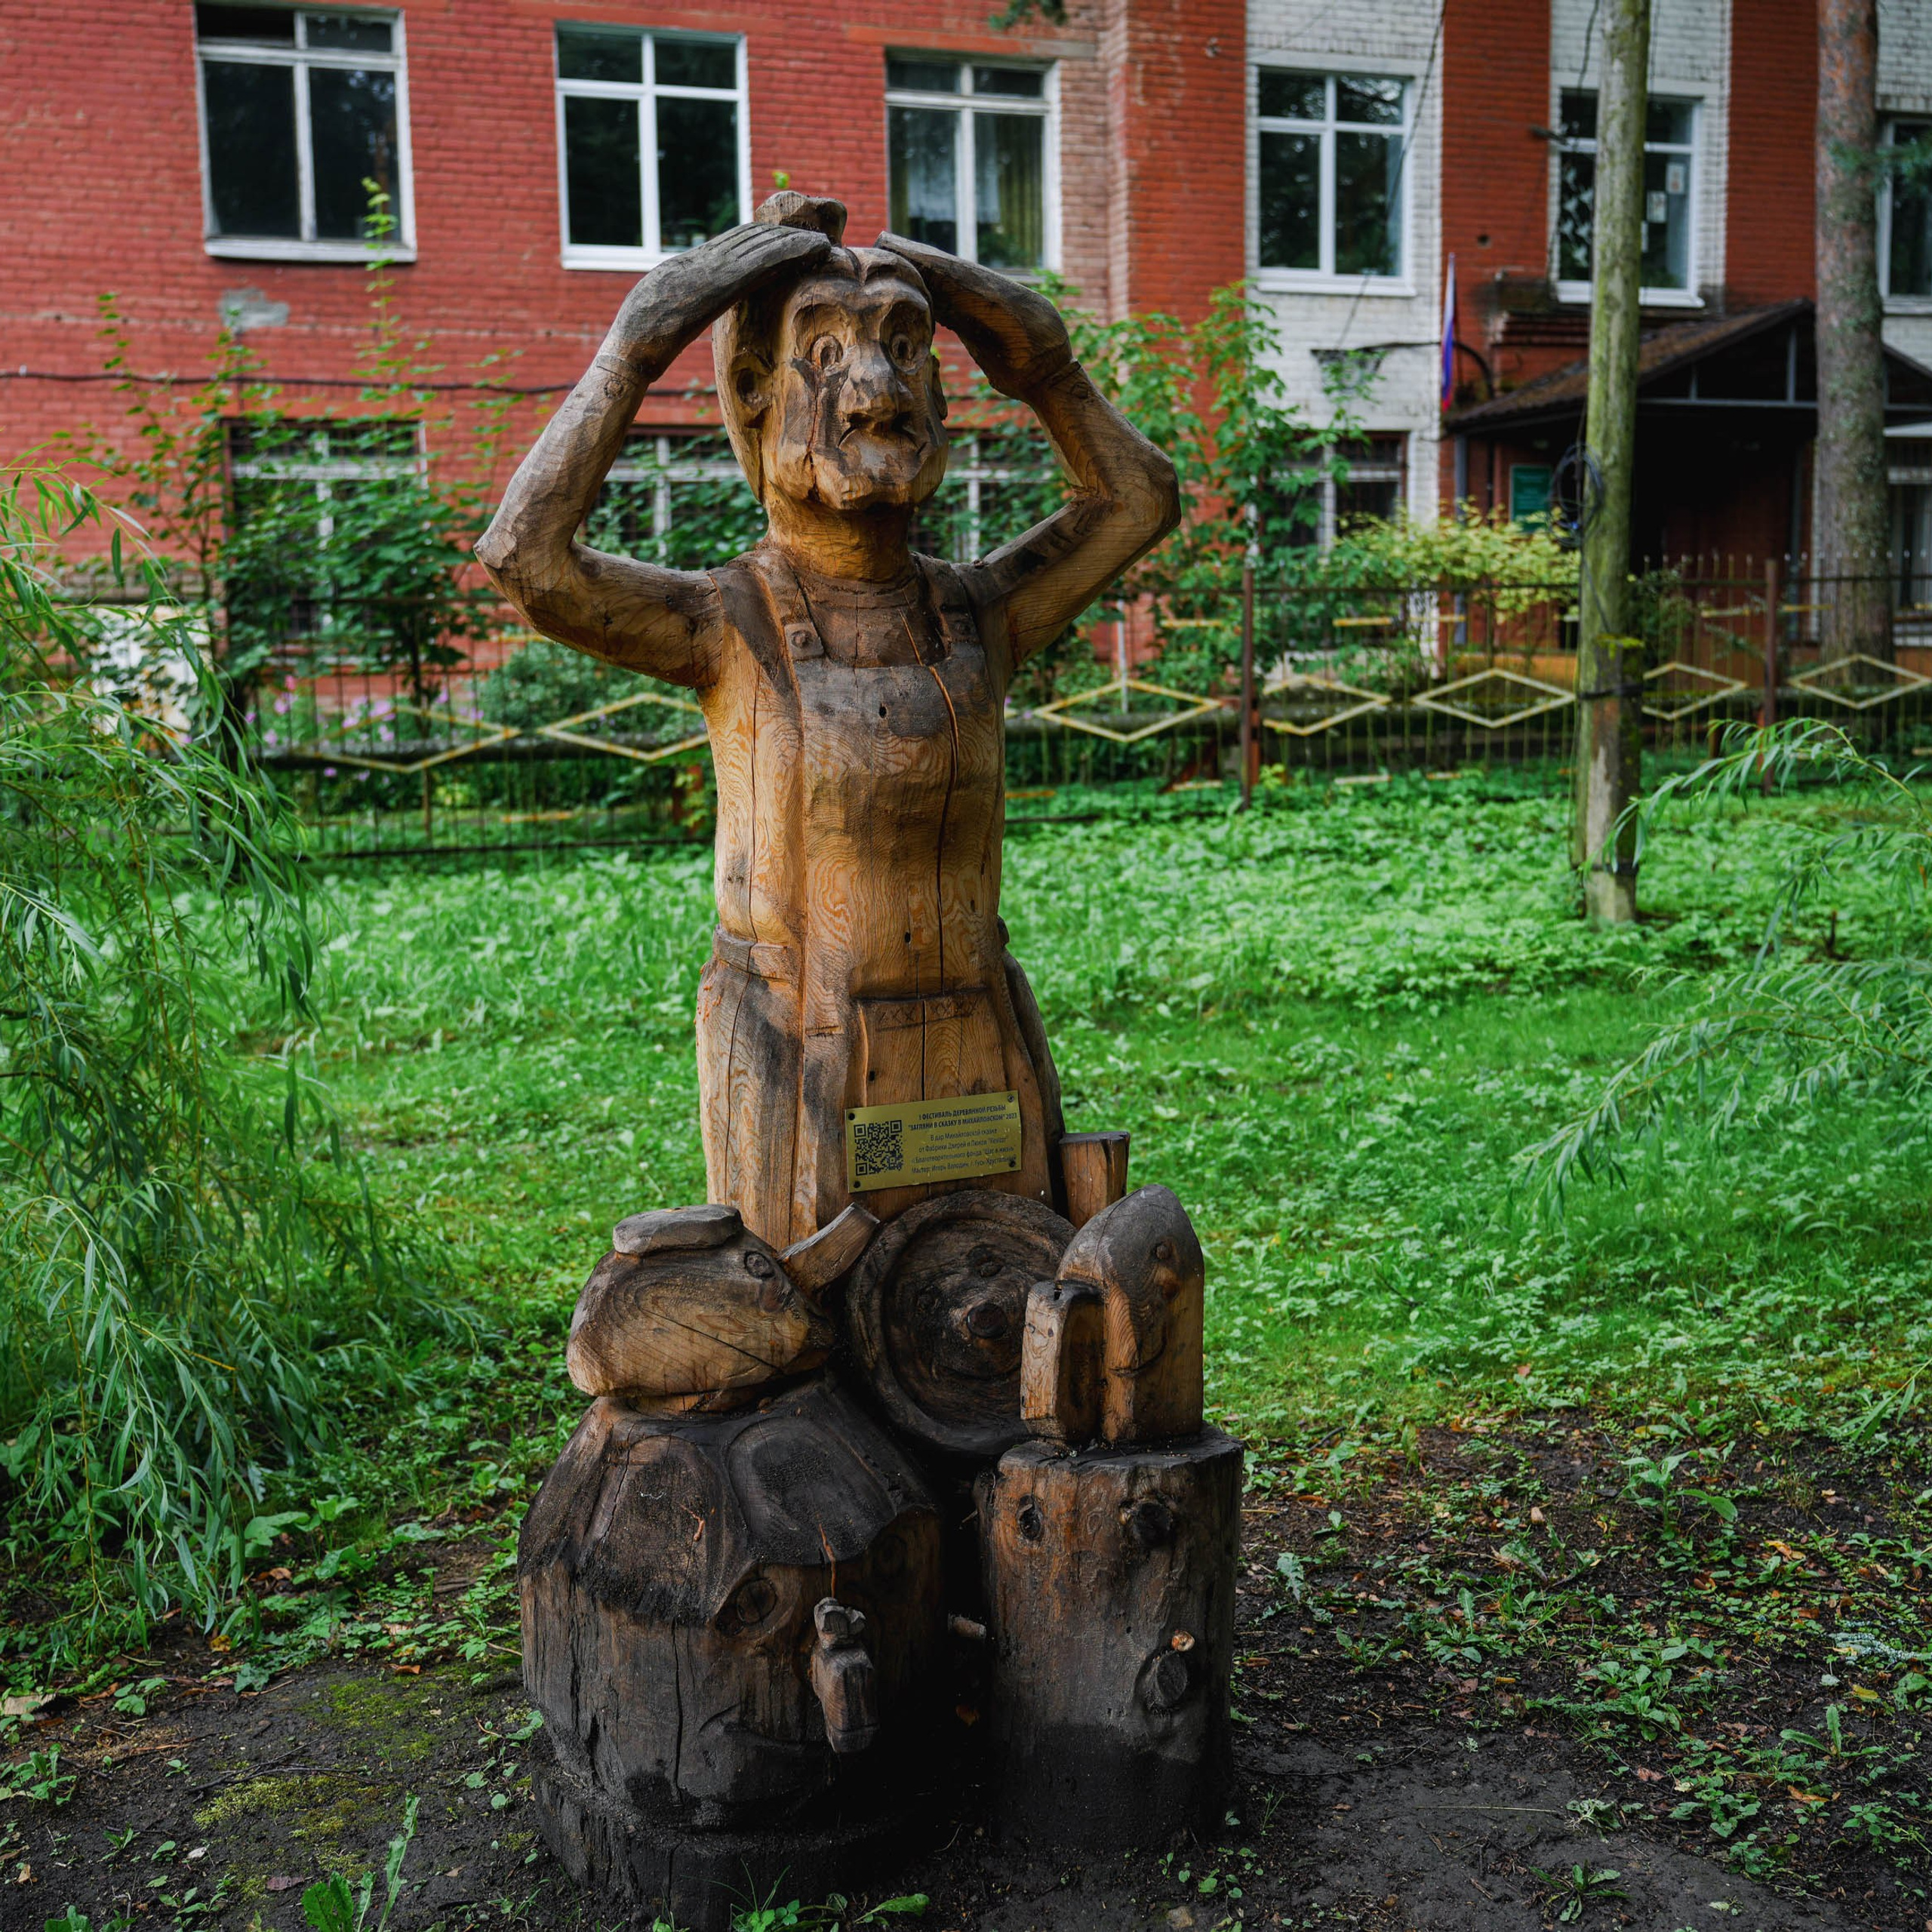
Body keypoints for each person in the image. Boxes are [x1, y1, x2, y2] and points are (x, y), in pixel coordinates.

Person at [477, 192, 1180, 1250]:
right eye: (827, 352)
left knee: (998, 1297)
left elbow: (1138, 499)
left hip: (977, 1042)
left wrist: (1045, 362)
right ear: (756, 397)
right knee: (800, 1322)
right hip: (795, 1051)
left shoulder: (980, 612)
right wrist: (636, 347)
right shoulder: (728, 623)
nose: (874, 387)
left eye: (903, 348)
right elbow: (526, 558)